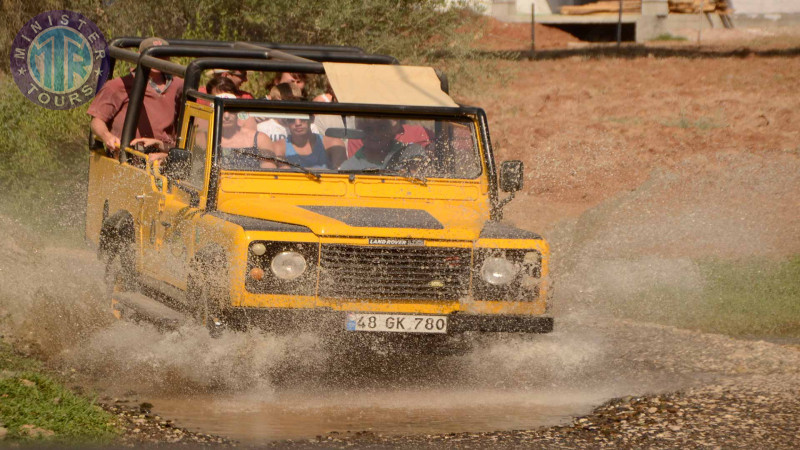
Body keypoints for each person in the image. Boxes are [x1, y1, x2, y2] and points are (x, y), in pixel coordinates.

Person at [87, 37, 183, 159]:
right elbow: (97, 121)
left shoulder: (179, 86)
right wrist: (107, 137)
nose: (158, 60)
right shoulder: (118, 86)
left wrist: (167, 154)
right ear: (140, 55)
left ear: (169, 58)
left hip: (164, 157)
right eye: (154, 55)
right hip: (126, 158)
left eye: (162, 56)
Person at [215, 93, 276, 169]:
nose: (226, 116)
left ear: (237, 112)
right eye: (221, 110)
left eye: (231, 110)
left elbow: (269, 174)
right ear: (213, 112)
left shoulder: (260, 139)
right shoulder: (204, 139)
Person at [338, 118, 426, 171]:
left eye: (382, 127)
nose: (375, 134)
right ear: (360, 134)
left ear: (391, 131)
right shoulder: (350, 167)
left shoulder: (411, 152)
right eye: (368, 129)